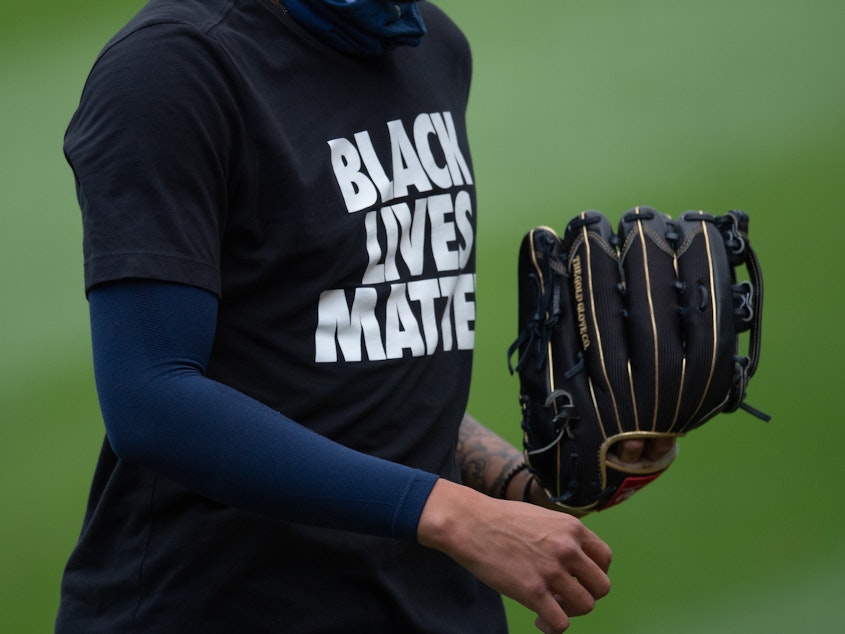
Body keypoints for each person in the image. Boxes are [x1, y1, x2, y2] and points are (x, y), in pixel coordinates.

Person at [56, 1, 669, 631]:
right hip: (216, 607)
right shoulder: (172, 69)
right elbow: (150, 400)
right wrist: (457, 516)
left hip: (438, 611)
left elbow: (363, 363)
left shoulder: (430, 48)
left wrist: (529, 484)